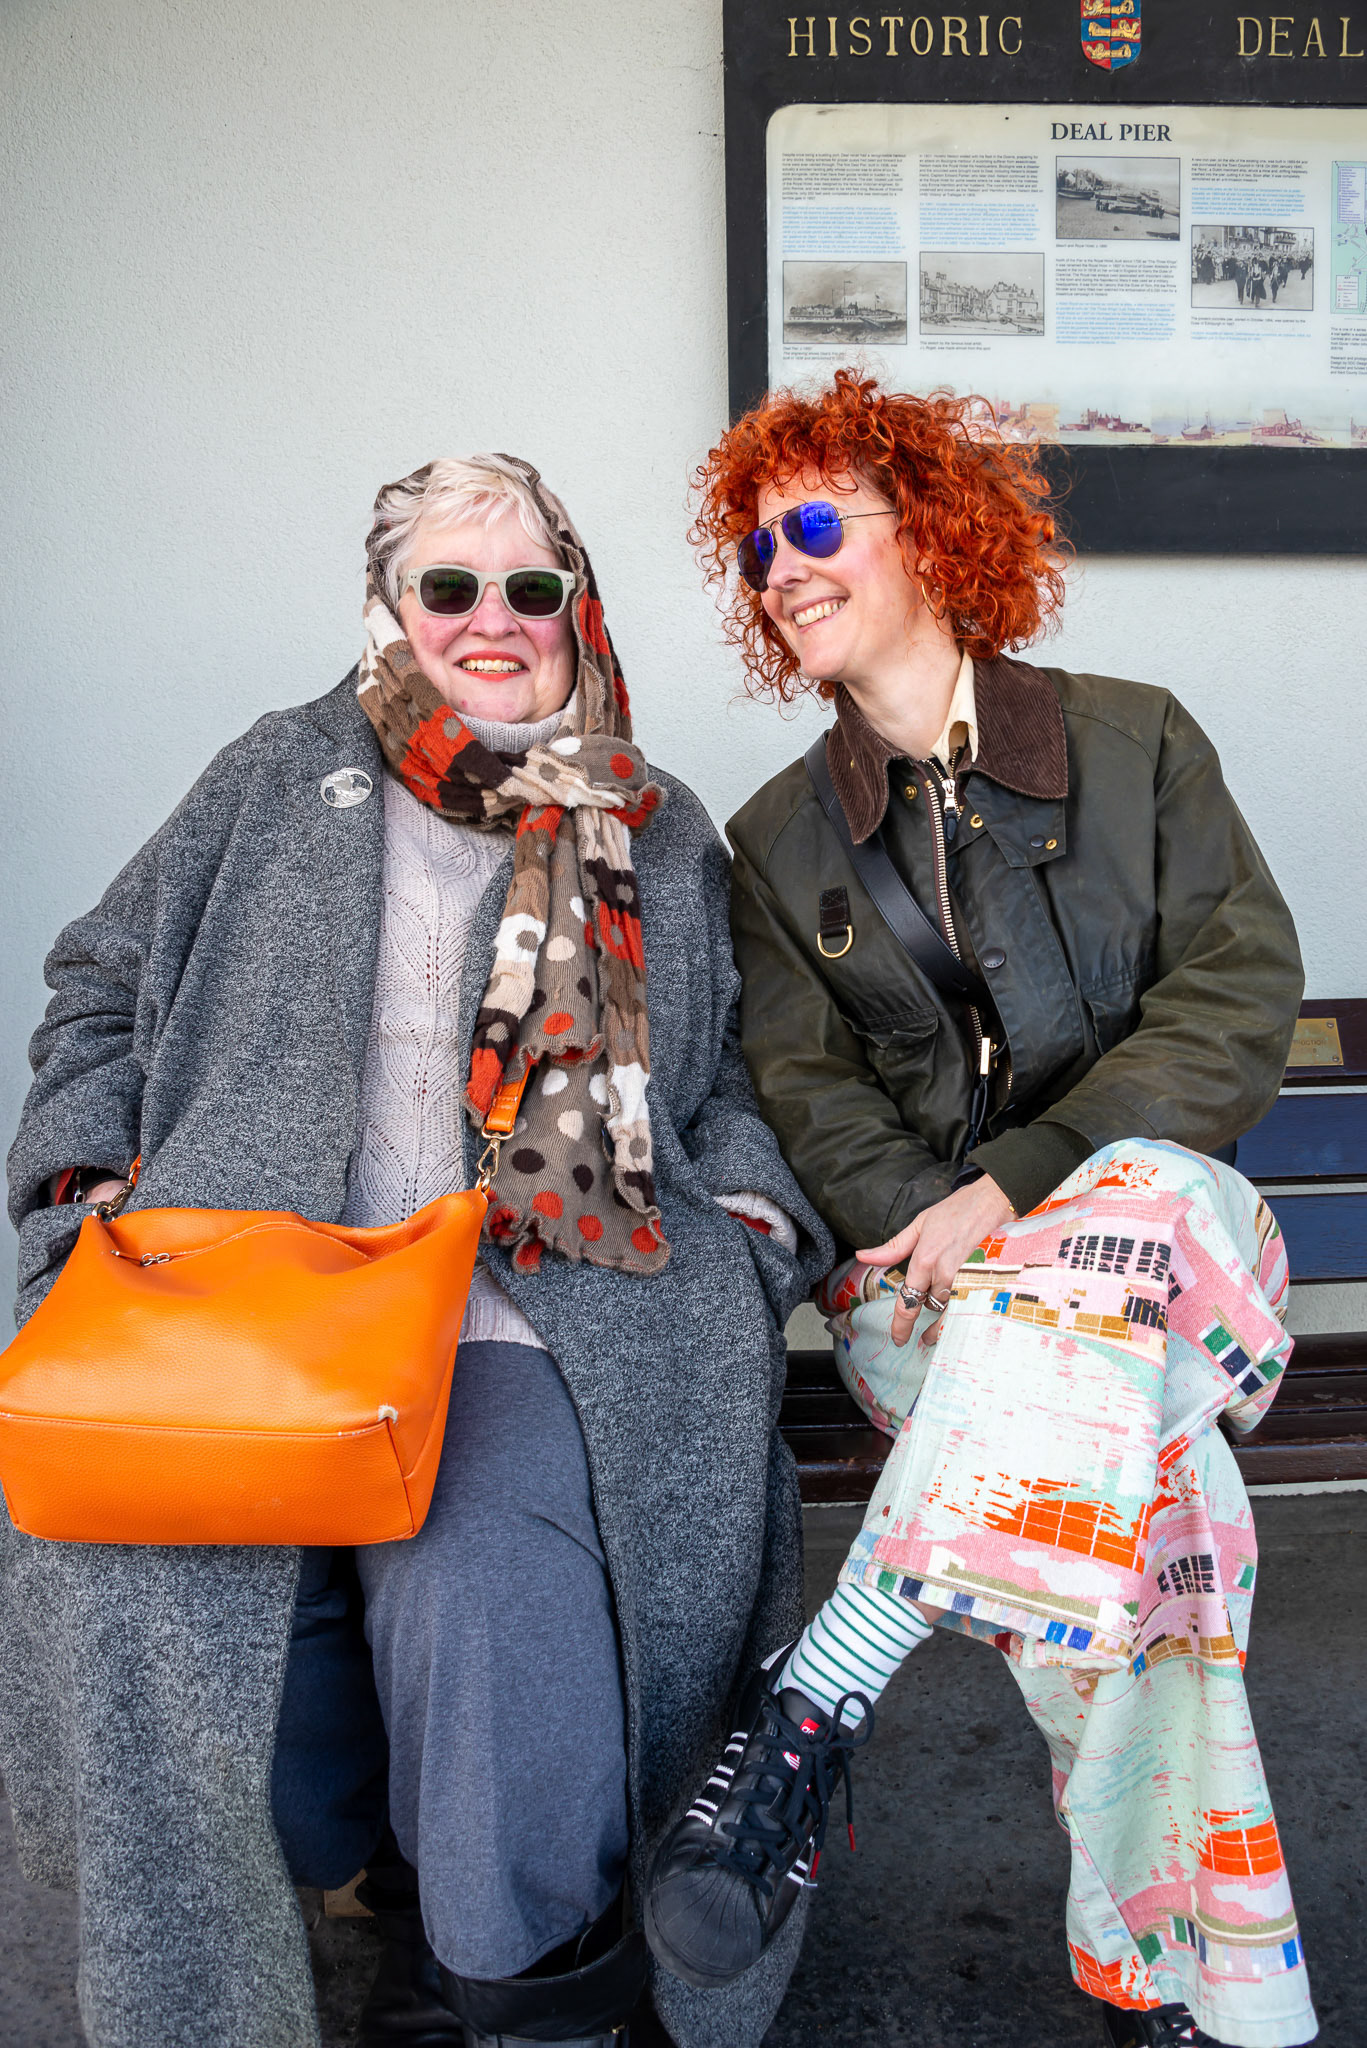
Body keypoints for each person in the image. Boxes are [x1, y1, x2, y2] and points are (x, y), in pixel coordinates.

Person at [2, 456, 831, 2048]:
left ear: (576, 604)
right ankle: (333, 1877)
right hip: (249, 1283)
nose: (490, 620)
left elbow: (726, 1076)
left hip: (529, 1296)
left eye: (529, 587)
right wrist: (76, 1175)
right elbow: (99, 980)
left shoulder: (655, 825)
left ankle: (512, 1987)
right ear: (389, 607)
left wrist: (746, 1223)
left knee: (489, 1592)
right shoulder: (275, 774)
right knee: (143, 1573)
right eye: (447, 586)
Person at [643, 373, 1317, 2048]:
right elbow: (809, 1096)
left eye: (815, 523)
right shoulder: (775, 843)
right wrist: (950, 1227)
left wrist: (1023, 1187)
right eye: (757, 546)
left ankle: (825, 1687)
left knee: (1133, 1198)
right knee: (1160, 1520)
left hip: (1177, 1249)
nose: (782, 567)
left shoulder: (1136, 741)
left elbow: (1235, 997)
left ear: (935, 535)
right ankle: (1179, 1990)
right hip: (932, 1289)